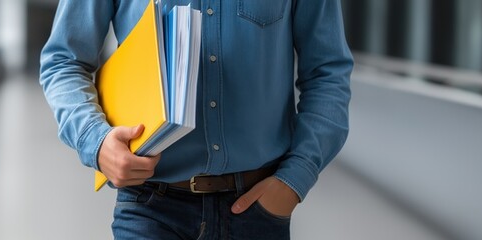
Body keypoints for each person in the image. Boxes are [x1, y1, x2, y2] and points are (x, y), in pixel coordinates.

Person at [39, 0, 352, 239]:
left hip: (258, 211)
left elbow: (328, 73)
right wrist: (96, 141)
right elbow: (63, 63)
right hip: (150, 207)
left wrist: (294, 181)